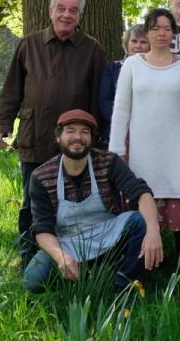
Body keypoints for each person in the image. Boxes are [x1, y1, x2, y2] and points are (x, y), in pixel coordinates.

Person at [0, 0, 107, 267]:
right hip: (35, 136)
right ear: (50, 11)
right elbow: (12, 89)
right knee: (30, 201)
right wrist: (3, 124)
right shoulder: (28, 45)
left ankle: (68, 258)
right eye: (61, 9)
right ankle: (28, 256)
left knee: (69, 202)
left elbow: (97, 97)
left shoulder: (92, 49)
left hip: (75, 143)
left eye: (73, 11)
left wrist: (97, 139)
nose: (66, 15)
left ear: (80, 16)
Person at [24, 109, 163, 293]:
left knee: (140, 221)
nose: (78, 137)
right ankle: (76, 277)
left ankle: (124, 285)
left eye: (85, 132)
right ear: (58, 137)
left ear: (91, 138)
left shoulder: (108, 162)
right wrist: (60, 257)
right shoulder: (41, 176)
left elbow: (142, 193)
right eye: (70, 130)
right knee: (33, 279)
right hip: (67, 241)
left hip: (108, 234)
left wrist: (153, 229)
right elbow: (42, 228)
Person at [109, 8, 180, 271]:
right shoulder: (132, 65)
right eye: (156, 28)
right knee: (139, 210)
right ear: (147, 31)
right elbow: (121, 109)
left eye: (167, 28)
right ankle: (139, 271)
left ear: (174, 32)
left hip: (176, 149)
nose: (162, 33)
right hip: (140, 149)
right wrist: (115, 151)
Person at [98, 25, 149, 148]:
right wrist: (127, 122)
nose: (138, 46)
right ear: (126, 44)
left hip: (146, 135)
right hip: (114, 134)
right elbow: (104, 102)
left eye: (143, 42)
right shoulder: (112, 69)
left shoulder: (157, 71)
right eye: (134, 41)